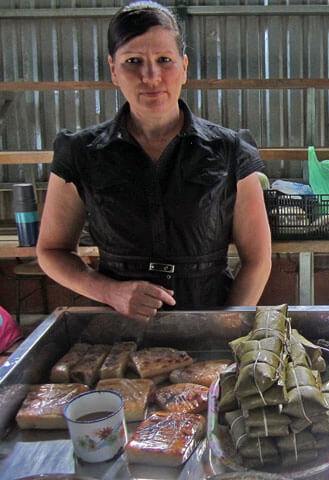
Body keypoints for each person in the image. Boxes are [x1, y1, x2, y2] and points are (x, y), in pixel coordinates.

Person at [36, 0, 272, 322]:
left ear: (184, 67)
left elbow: (258, 260)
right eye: (134, 61)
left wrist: (223, 327)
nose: (151, 75)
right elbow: (51, 251)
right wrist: (112, 293)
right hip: (118, 332)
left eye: (165, 60)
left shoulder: (229, 151)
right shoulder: (81, 153)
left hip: (209, 323)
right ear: (114, 70)